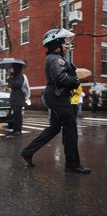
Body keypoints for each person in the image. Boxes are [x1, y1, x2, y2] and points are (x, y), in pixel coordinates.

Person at [20, 28, 91, 174]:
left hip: (55, 96)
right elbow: (60, 79)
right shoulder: (55, 59)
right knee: (70, 129)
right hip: (58, 97)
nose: (66, 45)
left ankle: (27, 151)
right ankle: (72, 165)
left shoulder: (55, 58)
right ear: (56, 43)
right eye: (64, 42)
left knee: (54, 128)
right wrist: (75, 81)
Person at [6, 63, 27, 136]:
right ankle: (15, 130)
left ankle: (18, 130)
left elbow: (17, 85)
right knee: (14, 115)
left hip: (18, 98)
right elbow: (12, 87)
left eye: (13, 68)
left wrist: (9, 80)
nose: (12, 69)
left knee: (18, 115)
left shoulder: (20, 76)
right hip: (14, 98)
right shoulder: (14, 76)